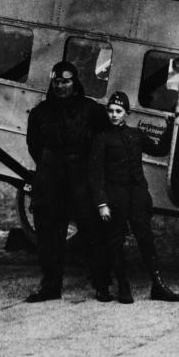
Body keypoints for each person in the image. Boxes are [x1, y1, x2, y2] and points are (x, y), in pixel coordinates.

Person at [24, 62, 108, 303]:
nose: (61, 86)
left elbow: (103, 139)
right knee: (49, 235)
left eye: (66, 81)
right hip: (50, 180)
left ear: (76, 83)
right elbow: (34, 146)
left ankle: (102, 284)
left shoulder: (90, 110)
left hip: (81, 180)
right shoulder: (40, 113)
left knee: (93, 231)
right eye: (57, 82)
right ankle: (50, 286)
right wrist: (51, 163)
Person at [88, 91, 179, 304]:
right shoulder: (101, 139)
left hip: (138, 197)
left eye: (118, 111)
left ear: (127, 114)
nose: (114, 115)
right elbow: (96, 175)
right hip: (115, 198)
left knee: (146, 239)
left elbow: (159, 149)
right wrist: (102, 204)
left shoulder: (135, 135)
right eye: (111, 111)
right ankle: (123, 286)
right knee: (115, 242)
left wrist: (169, 128)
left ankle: (158, 285)